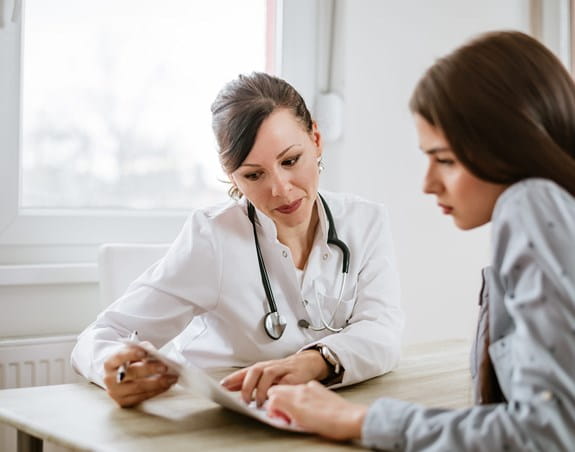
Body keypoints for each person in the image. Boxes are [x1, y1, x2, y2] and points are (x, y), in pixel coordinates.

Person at [264, 30, 575, 450]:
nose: (428, 184)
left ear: (514, 145)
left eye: (444, 160)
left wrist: (361, 420)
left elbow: (546, 432)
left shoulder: (529, 204)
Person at [71, 72, 403, 408]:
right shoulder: (212, 237)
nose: (281, 189)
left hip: (321, 414)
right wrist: (111, 368)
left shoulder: (366, 221)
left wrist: (315, 361)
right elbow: (99, 337)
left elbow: (383, 331)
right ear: (232, 175)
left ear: (315, 139)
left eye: (290, 161)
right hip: (221, 418)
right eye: (253, 174)